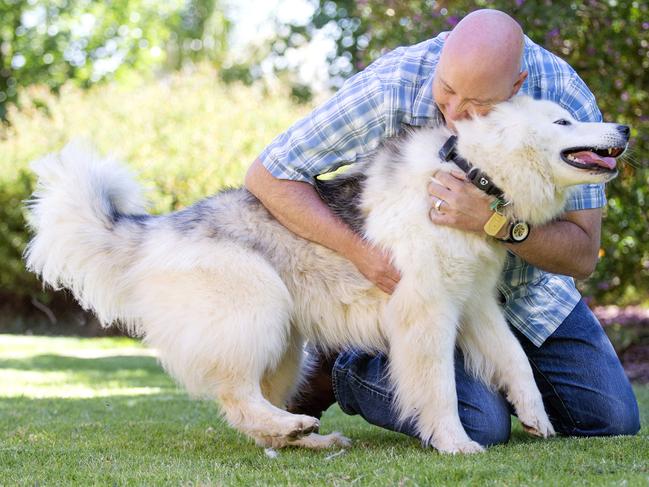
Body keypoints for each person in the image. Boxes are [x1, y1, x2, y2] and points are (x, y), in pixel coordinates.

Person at [244, 9, 640, 446]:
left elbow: (583, 255)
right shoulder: (394, 82)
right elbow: (269, 175)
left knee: (613, 420)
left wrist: (496, 224)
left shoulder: (564, 95)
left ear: (517, 87)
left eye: (477, 105)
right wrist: (361, 254)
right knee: (481, 426)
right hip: (413, 294)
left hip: (529, 293)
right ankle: (344, 364)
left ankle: (484, 378)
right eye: (447, 91)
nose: (453, 114)